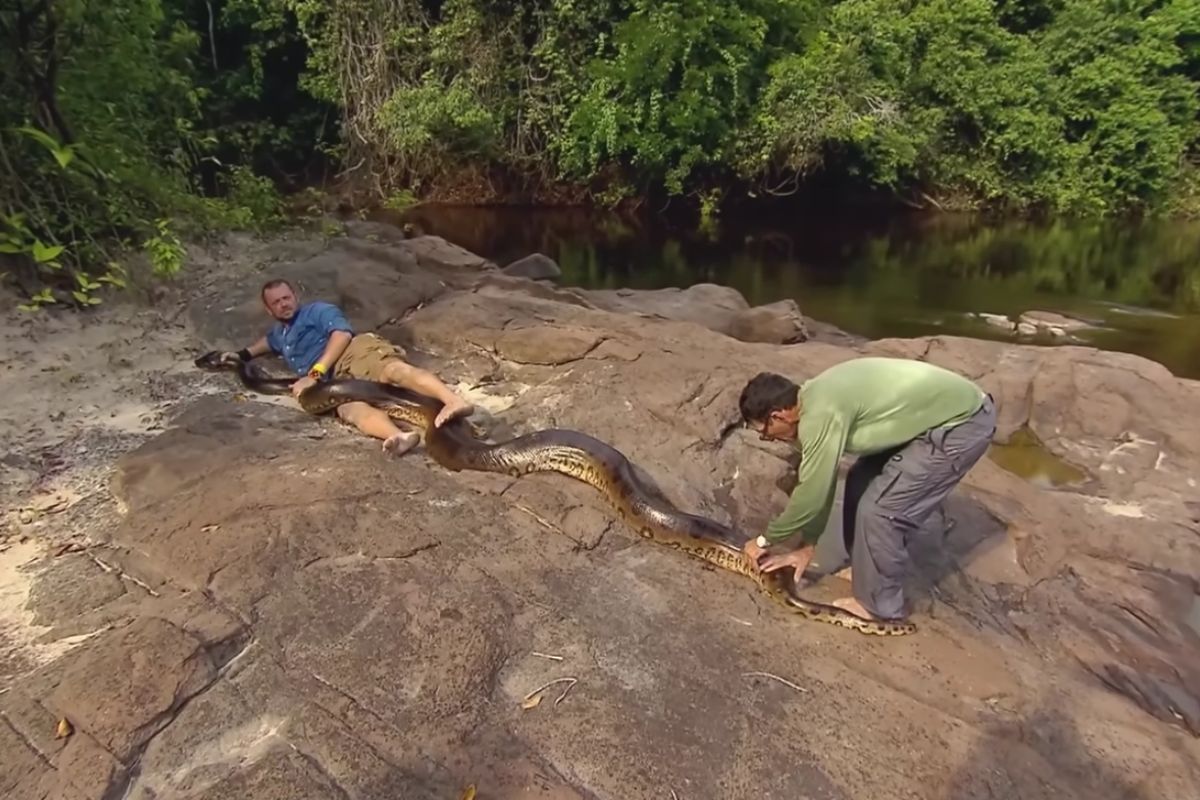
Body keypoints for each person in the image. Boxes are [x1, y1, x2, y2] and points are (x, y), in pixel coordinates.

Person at [737, 356, 996, 624]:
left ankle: (880, 608)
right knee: (860, 479)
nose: (769, 438)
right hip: (930, 420)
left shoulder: (821, 414)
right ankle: (866, 571)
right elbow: (819, 486)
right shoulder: (810, 403)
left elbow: (810, 499)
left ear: (778, 415)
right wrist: (807, 546)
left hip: (961, 423)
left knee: (882, 512)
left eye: (766, 431)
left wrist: (763, 541)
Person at [224, 278, 474, 456]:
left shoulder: (317, 312)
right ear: (269, 309)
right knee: (351, 411)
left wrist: (315, 373)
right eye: (277, 302)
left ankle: (451, 400)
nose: (284, 304)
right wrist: (238, 356)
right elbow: (265, 344)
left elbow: (342, 335)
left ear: (295, 297)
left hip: (350, 354)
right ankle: (396, 436)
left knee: (393, 371)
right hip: (333, 383)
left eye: (286, 298)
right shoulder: (280, 334)